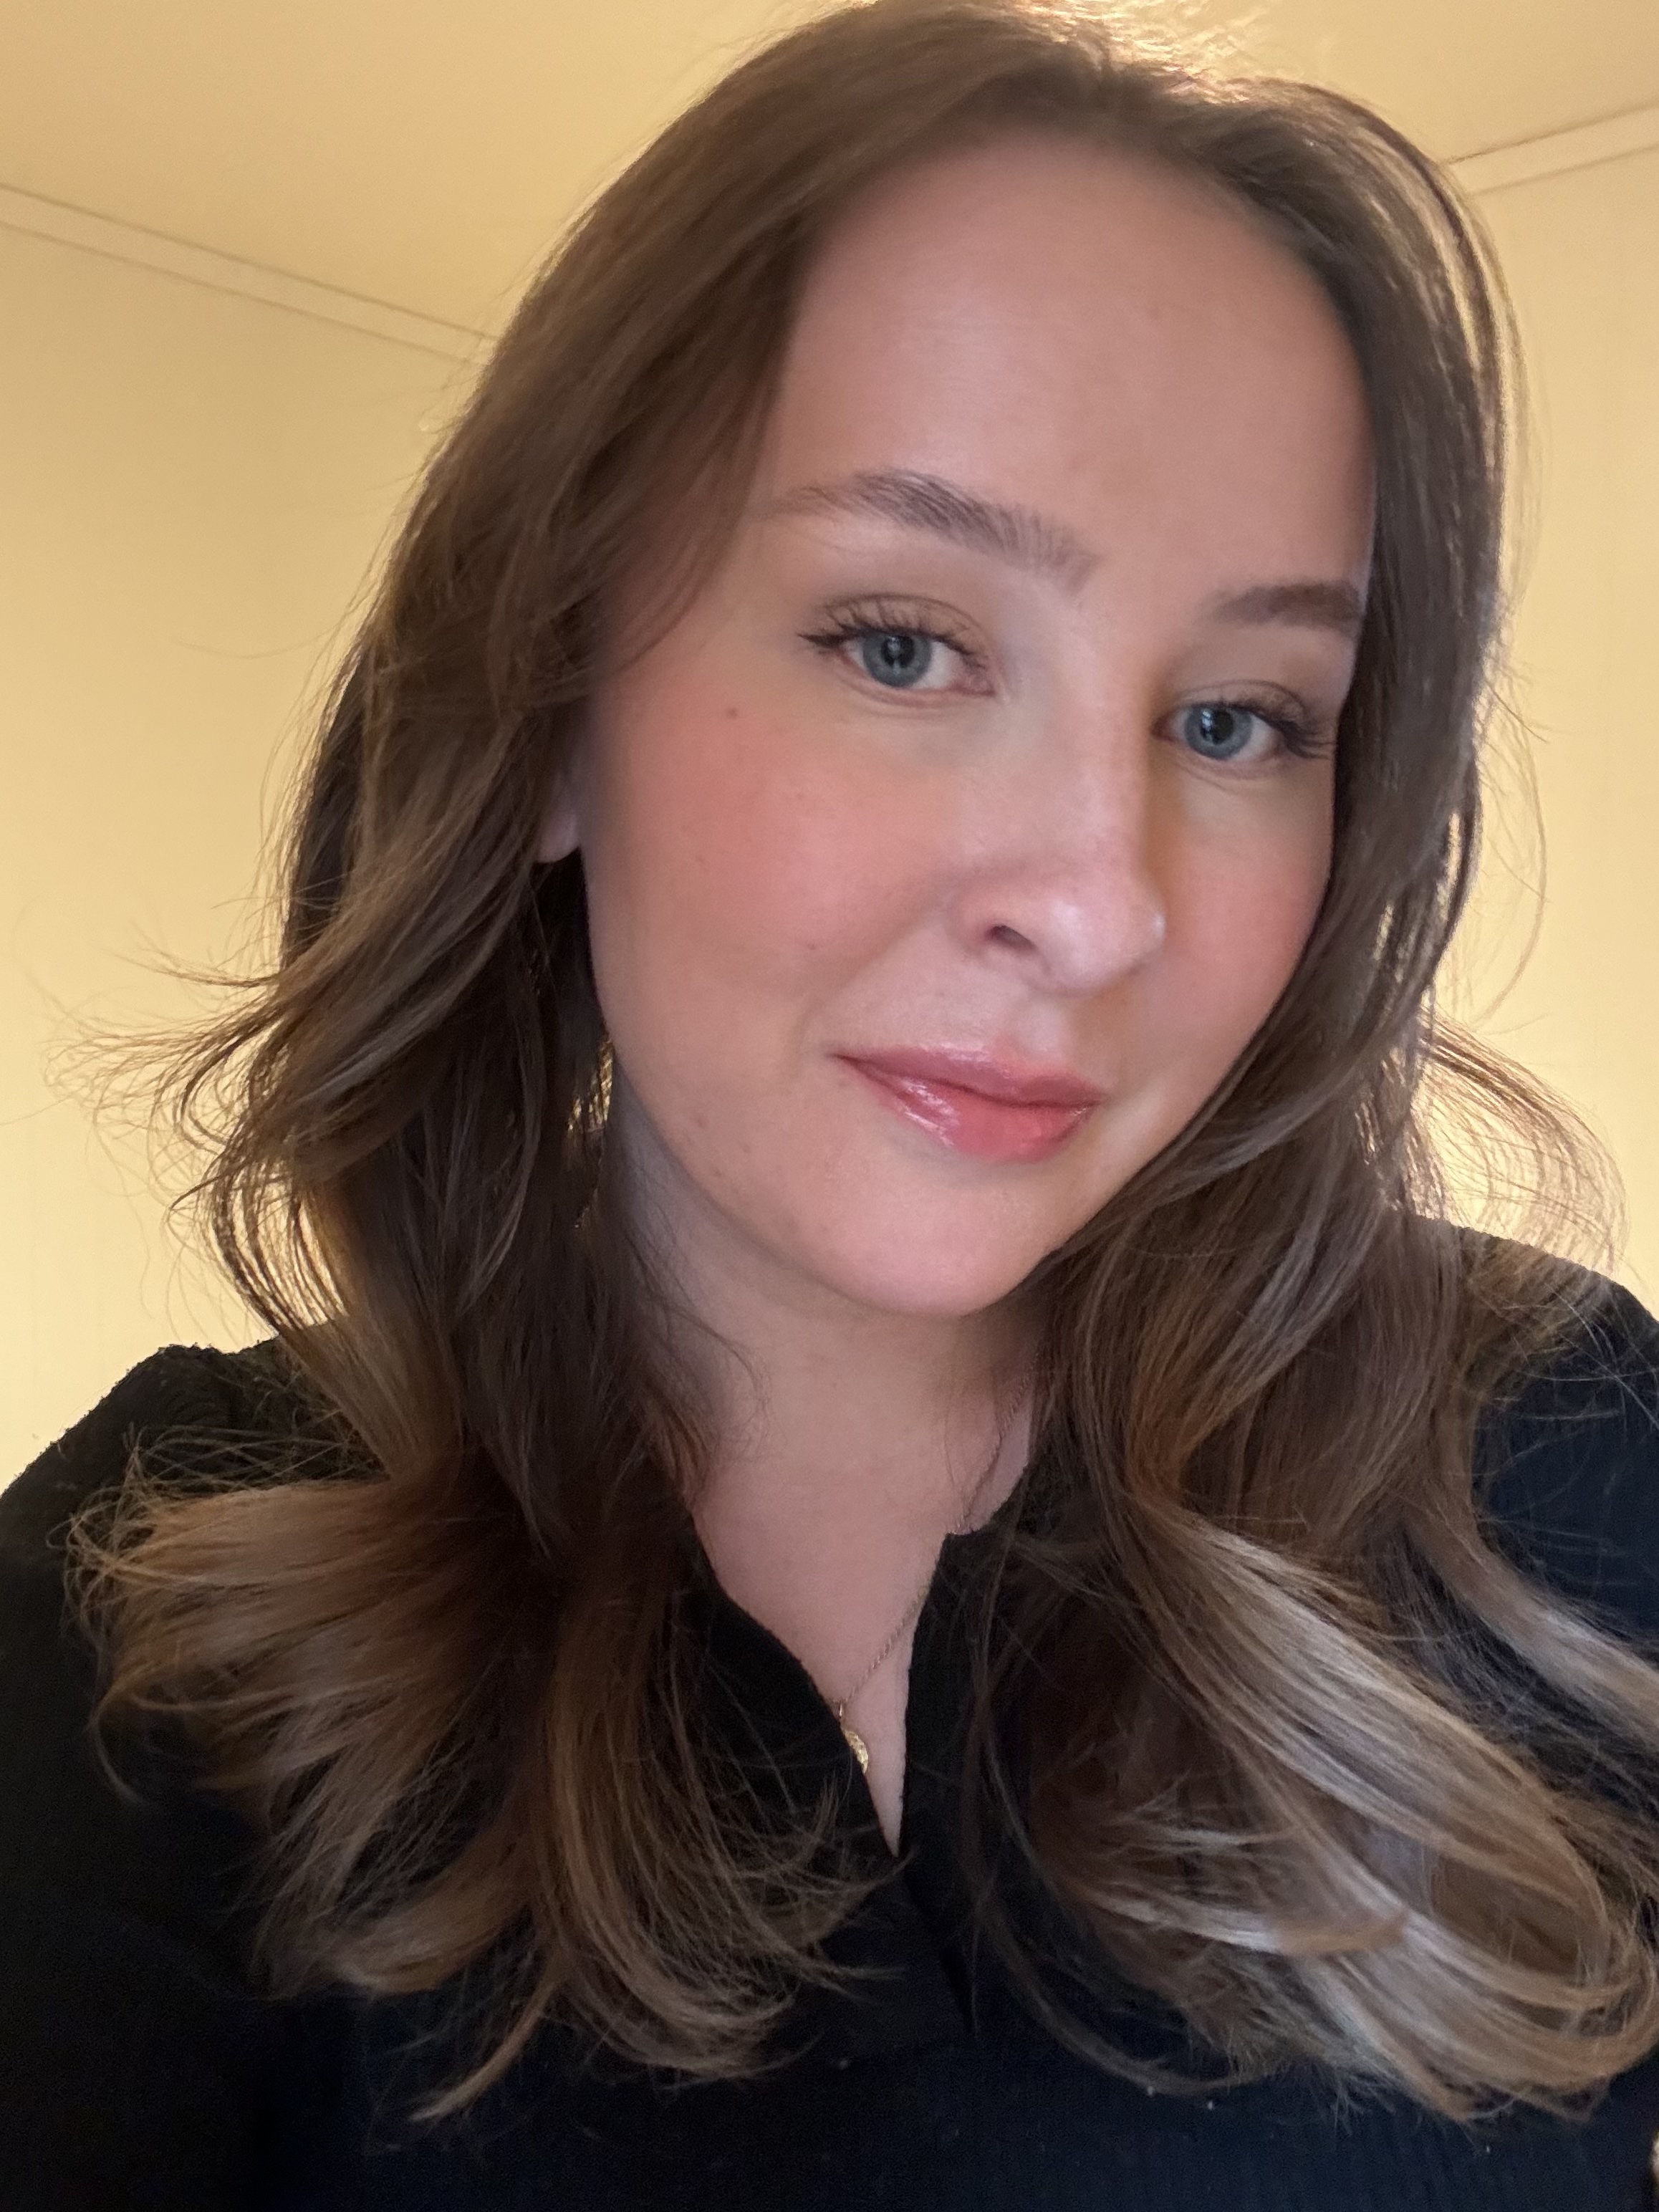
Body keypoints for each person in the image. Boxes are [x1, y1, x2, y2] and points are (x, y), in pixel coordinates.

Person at [5, 0, 1659, 2203]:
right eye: (900, 644)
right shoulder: (153, 1609)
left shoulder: (1559, 1465)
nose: (1098, 904)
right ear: (545, 704)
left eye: (1240, 719)